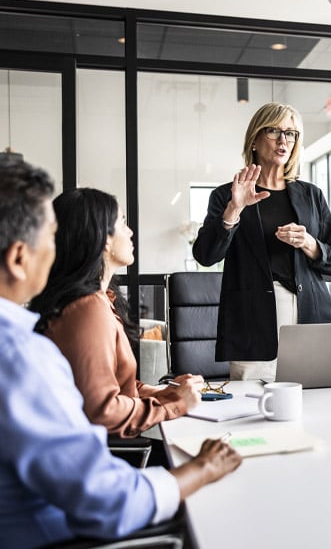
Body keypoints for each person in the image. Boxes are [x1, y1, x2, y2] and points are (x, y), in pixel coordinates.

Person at [0, 159, 242, 548]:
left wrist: (163, 395)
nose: (56, 245)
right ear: (17, 258)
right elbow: (106, 498)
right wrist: (202, 467)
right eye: (49, 234)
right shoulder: (24, 355)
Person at [29, 187, 203, 442]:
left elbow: (114, 385)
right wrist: (174, 406)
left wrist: (164, 393)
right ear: (105, 240)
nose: (130, 231)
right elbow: (102, 411)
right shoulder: (87, 310)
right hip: (104, 461)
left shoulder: (101, 301)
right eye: (122, 222)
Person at [193, 102, 331, 381]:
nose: (283, 140)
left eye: (291, 133)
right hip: (253, 321)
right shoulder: (227, 194)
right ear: (255, 139)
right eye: (274, 131)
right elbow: (205, 255)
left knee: (317, 404)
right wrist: (233, 210)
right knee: (251, 410)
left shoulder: (312, 195)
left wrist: (310, 243)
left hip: (310, 314)